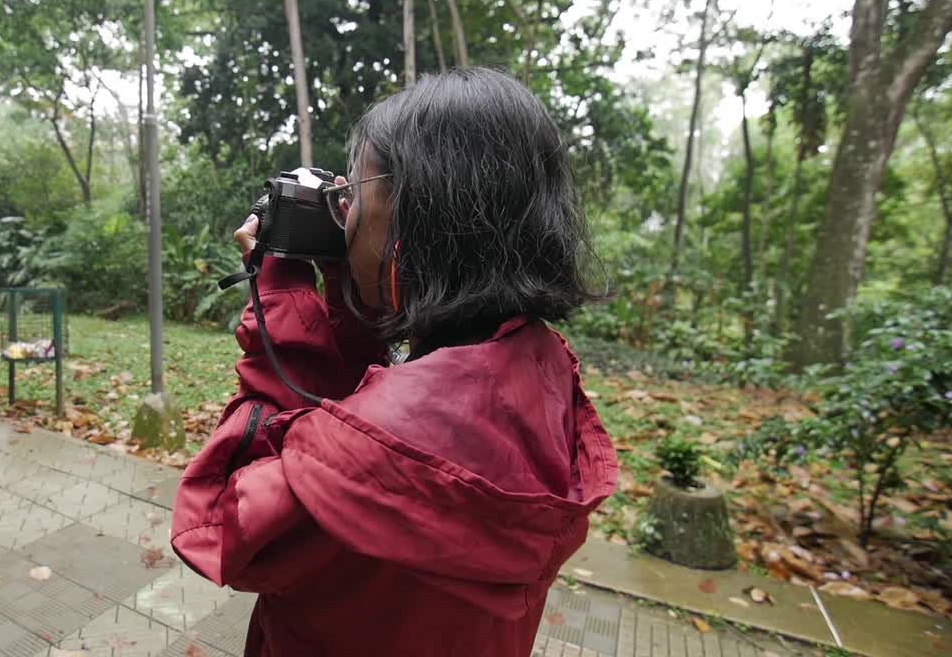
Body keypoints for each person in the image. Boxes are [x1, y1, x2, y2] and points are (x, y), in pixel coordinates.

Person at [172, 67, 618, 657]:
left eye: (351, 193)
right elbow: (384, 414)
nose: (342, 215)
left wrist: (281, 306)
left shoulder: (377, 443)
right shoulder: (542, 367)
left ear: (415, 215)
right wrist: (351, 305)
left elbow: (217, 528)